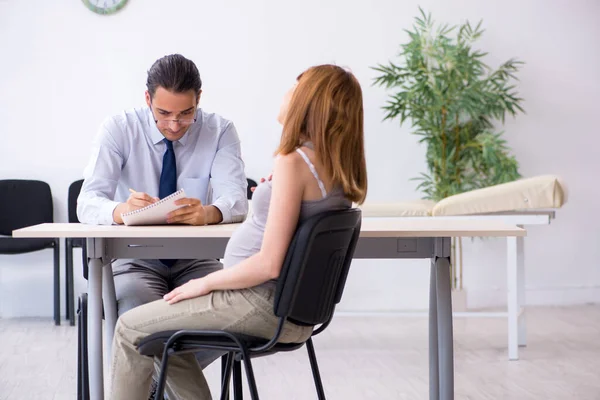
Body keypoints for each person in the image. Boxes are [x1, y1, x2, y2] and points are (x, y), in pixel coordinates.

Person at [108, 64, 368, 399]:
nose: (288, 91)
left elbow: (268, 264)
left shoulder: (294, 162)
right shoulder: (332, 167)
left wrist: (201, 285)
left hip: (257, 301)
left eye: (295, 85)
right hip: (290, 310)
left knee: (130, 328)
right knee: (161, 338)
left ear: (309, 101)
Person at [77, 54, 248, 322]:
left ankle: (166, 364)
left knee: (219, 318)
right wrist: (121, 211)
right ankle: (171, 364)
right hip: (133, 259)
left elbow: (237, 199)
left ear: (198, 99)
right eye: (164, 113)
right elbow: (86, 202)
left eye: (186, 114)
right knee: (139, 319)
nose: (174, 125)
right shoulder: (119, 129)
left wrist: (211, 212)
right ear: (148, 99)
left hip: (198, 259)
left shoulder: (220, 131)